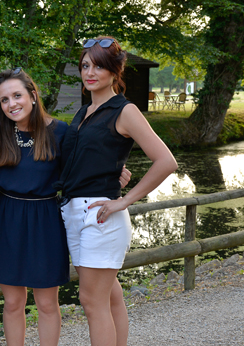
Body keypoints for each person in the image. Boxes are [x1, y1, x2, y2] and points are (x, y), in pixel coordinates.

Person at [56, 36, 178, 346]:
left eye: (99, 66)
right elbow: (82, 160)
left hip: (100, 217)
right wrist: (112, 174)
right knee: (110, 297)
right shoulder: (83, 113)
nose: (90, 72)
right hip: (74, 212)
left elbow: (166, 161)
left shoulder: (125, 111)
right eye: (85, 66)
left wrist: (124, 200)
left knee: (91, 300)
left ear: (115, 70)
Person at [0, 68, 70, 346]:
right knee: (12, 302)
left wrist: (116, 172)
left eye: (17, 95)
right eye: (4, 99)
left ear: (33, 95)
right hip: (8, 217)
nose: (11, 104)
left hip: (46, 219)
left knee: (47, 303)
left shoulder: (60, 132)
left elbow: (83, 171)